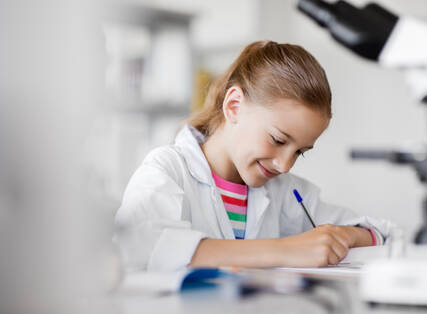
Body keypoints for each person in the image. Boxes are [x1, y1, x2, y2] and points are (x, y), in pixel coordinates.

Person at [115, 41, 393, 273]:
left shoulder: (286, 192)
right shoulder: (168, 169)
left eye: (299, 152)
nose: (285, 165)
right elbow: (144, 248)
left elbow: (383, 232)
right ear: (234, 106)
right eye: (278, 140)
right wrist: (287, 250)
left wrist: (344, 235)